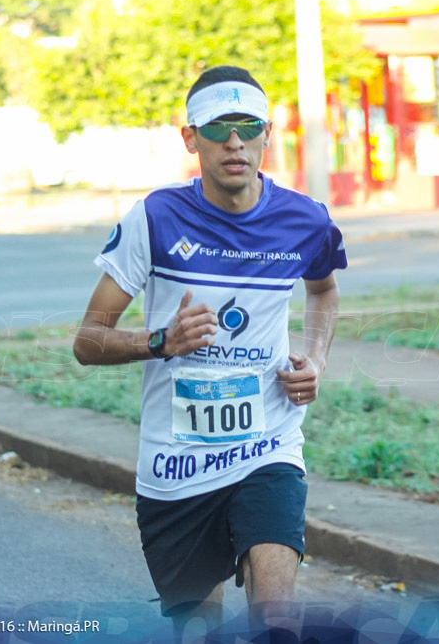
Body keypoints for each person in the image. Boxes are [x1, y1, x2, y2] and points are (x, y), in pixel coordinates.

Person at [73, 65, 347, 640]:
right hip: (176, 461)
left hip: (266, 442)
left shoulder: (305, 220)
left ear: (267, 135)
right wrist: (162, 341)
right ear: (190, 138)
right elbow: (88, 341)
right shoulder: (155, 219)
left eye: (248, 128)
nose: (234, 143)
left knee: (276, 619)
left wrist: (315, 357)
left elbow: (323, 289)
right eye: (218, 129)